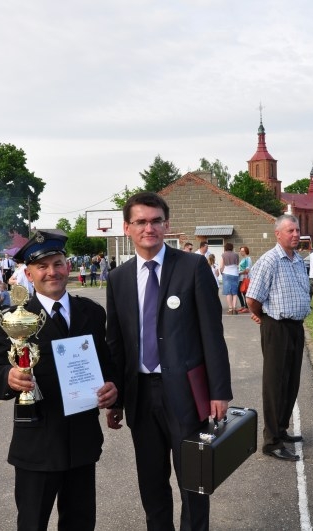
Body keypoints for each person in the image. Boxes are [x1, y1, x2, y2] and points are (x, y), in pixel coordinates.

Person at [105, 191, 232, 531]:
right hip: (140, 395)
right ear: (127, 228)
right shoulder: (118, 278)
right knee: (151, 484)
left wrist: (219, 391)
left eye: (156, 221)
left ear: (167, 225)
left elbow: (212, 334)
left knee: (194, 482)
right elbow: (116, 343)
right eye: (141, 222)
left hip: (186, 395)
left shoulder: (192, 267)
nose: (149, 228)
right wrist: (116, 400)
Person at [0, 231, 118, 531]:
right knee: (32, 524)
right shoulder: (14, 318)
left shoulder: (92, 313)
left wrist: (113, 389)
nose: (52, 272)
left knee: (81, 523)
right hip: (38, 442)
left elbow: (106, 364)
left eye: (57, 264)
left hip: (82, 440)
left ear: (68, 267)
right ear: (29, 274)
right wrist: (9, 377)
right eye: (42, 267)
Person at [245, 213, 311, 462]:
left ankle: (282, 429)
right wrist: (262, 317)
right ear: (278, 234)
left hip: (296, 326)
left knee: (291, 381)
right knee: (275, 384)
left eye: (297, 230)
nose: (295, 234)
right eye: (290, 231)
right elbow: (252, 298)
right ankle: (271, 442)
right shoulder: (270, 260)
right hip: (277, 326)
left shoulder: (298, 260)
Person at [219, 242, 240, 314]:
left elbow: (221, 266)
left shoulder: (223, 255)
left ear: (225, 248)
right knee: (234, 292)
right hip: (235, 274)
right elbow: (237, 264)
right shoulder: (236, 255)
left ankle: (230, 309)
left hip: (227, 273)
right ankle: (234, 308)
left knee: (228, 292)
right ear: (232, 247)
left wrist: (221, 272)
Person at [237, 245, 252, 313]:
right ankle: (243, 306)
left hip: (245, 278)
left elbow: (247, 270)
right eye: (240, 251)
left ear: (246, 251)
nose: (241, 252)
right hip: (241, 278)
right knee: (241, 292)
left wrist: (239, 273)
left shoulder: (248, 259)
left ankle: (246, 307)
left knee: (244, 292)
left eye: (242, 251)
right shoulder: (243, 259)